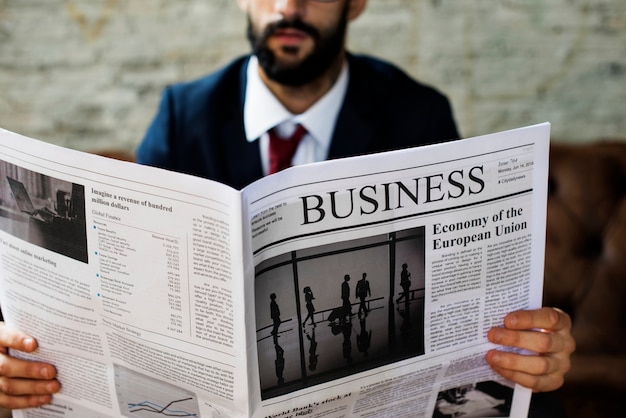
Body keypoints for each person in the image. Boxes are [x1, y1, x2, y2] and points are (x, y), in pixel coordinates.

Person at [0, 0, 575, 412]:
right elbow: (127, 291)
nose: (288, 8)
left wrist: (531, 353)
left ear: (357, 4)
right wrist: (28, 355)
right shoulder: (183, 117)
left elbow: (454, 299)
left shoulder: (418, 115)